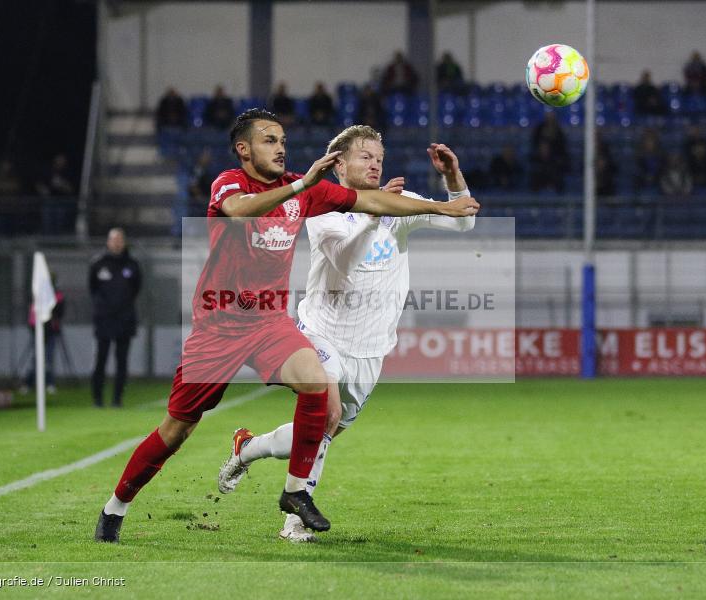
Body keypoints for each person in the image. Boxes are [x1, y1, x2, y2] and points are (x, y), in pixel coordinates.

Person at [93, 108, 479, 543]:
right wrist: (301, 185)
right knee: (178, 427)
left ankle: (292, 492)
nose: (280, 148)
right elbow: (240, 212)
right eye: (269, 140)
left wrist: (446, 199)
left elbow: (377, 202)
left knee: (319, 396)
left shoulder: (310, 191)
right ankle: (115, 507)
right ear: (244, 149)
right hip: (223, 326)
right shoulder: (235, 184)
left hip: (272, 324)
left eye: (282, 141)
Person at [217, 125, 474, 542]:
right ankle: (295, 519)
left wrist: (451, 178)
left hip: (371, 348)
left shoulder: (399, 204)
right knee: (327, 414)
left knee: (321, 434)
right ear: (339, 164)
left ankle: (247, 448)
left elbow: (464, 222)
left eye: (379, 157)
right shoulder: (322, 209)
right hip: (321, 334)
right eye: (365, 156)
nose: (375, 164)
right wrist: (376, 217)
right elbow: (346, 260)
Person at [89, 229, 141, 408]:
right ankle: (97, 399)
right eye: (113, 239)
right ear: (108, 242)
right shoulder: (98, 264)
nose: (116, 242)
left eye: (120, 239)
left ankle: (117, 400)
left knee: (122, 362)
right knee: (100, 360)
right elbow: (93, 289)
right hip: (104, 319)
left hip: (125, 319)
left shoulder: (132, 265)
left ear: (124, 242)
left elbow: (136, 288)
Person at [20, 275, 65, 394]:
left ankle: (49, 383)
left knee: (48, 360)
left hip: (51, 332)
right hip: (38, 331)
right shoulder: (37, 295)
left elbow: (60, 312)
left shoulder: (57, 296)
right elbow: (33, 315)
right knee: (37, 360)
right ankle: (28, 383)